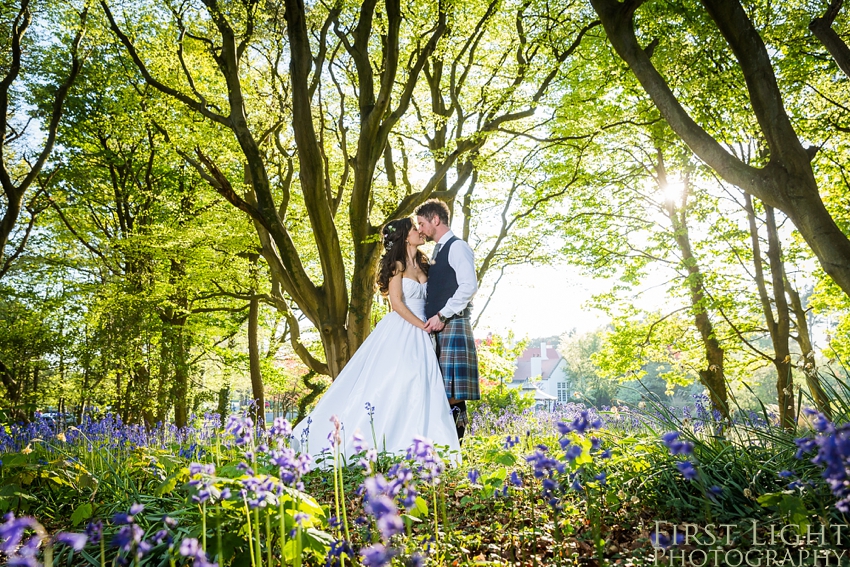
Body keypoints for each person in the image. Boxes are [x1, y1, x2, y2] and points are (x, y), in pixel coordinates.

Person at [291, 217, 461, 463]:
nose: (420, 231)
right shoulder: (398, 266)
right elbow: (397, 303)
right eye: (415, 228)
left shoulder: (425, 264)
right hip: (404, 330)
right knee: (398, 383)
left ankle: (423, 448)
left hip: (426, 330)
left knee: (424, 386)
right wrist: (422, 325)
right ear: (404, 235)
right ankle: (382, 444)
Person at [415, 199, 480, 444]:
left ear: (436, 220)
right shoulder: (438, 250)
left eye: (422, 223)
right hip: (441, 327)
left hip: (452, 324)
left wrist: (443, 315)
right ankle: (450, 447)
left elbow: (469, 286)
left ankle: (457, 447)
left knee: (452, 392)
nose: (420, 229)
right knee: (444, 389)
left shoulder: (457, 247)